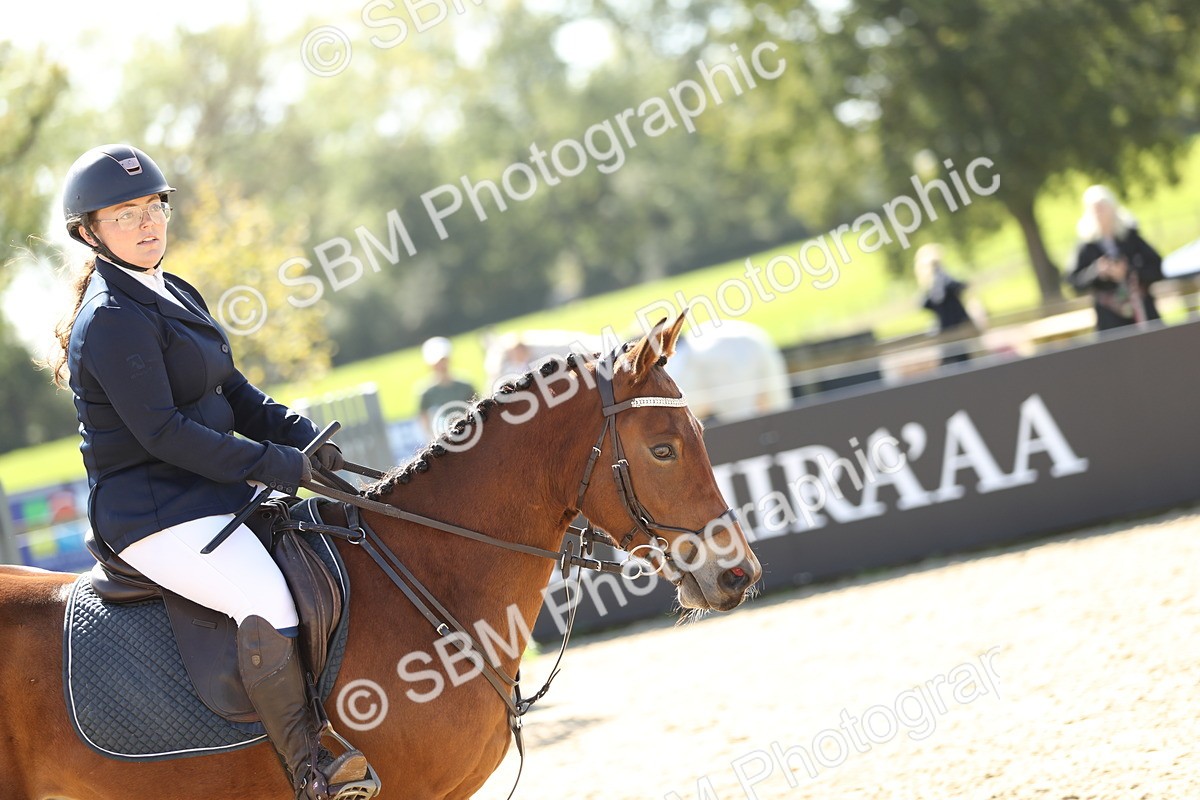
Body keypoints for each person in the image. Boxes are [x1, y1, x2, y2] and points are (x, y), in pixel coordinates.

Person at [47, 144, 375, 800]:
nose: (147, 224)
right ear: (90, 233)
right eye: (124, 215)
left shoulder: (173, 289)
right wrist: (278, 465)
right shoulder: (109, 320)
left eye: (153, 206)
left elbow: (237, 396)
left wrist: (304, 439)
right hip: (155, 513)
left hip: (215, 494)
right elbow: (166, 435)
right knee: (268, 600)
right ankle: (309, 769)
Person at [1067, 184, 1163, 331]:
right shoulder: (1087, 245)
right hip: (1110, 318)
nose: (1099, 214)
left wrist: (1128, 271)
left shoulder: (1129, 236)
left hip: (1141, 310)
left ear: (1112, 207)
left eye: (1102, 208)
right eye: (1095, 210)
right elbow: (1074, 282)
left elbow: (1157, 267)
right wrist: (1097, 271)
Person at [914, 244, 987, 363]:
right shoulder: (935, 287)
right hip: (949, 332)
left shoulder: (944, 283)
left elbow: (959, 287)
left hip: (958, 329)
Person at [417, 336, 476, 439]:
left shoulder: (465, 386)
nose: (441, 365)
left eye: (443, 360)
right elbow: (424, 420)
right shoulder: (426, 393)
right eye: (437, 362)